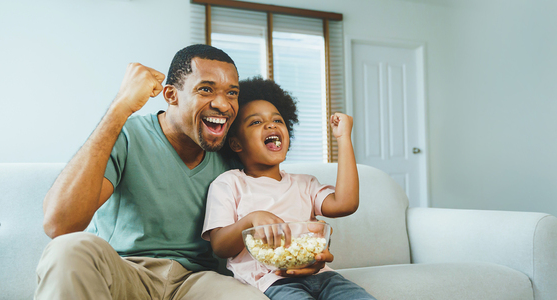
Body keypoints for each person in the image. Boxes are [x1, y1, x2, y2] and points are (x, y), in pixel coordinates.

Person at [35, 44, 332, 300]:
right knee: (67, 249)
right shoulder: (127, 135)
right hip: (127, 271)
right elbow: (60, 225)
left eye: (232, 93)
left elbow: (272, 217)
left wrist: (301, 259)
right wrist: (120, 107)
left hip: (200, 282)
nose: (222, 103)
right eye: (206, 89)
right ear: (171, 95)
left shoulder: (234, 153)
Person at [202, 77, 377, 300]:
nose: (271, 125)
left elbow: (346, 204)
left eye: (278, 120)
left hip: (324, 277)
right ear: (236, 143)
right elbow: (220, 246)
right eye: (255, 122)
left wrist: (343, 138)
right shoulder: (228, 184)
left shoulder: (305, 184)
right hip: (271, 282)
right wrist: (251, 219)